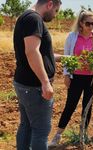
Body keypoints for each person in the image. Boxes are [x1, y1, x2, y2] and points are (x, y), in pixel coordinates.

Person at [13, 0, 62, 149]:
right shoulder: (34, 19)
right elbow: (32, 51)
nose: (55, 15)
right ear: (49, 4)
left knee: (26, 125)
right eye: (56, 11)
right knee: (41, 131)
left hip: (25, 84)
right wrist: (46, 82)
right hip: (35, 87)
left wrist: (65, 57)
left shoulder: (25, 17)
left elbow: (40, 53)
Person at [49, 10, 93, 146]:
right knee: (70, 106)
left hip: (91, 78)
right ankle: (58, 135)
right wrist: (66, 75)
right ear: (81, 23)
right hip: (75, 77)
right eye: (88, 23)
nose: (91, 26)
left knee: (87, 107)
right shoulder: (72, 37)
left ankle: (83, 135)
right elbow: (66, 57)